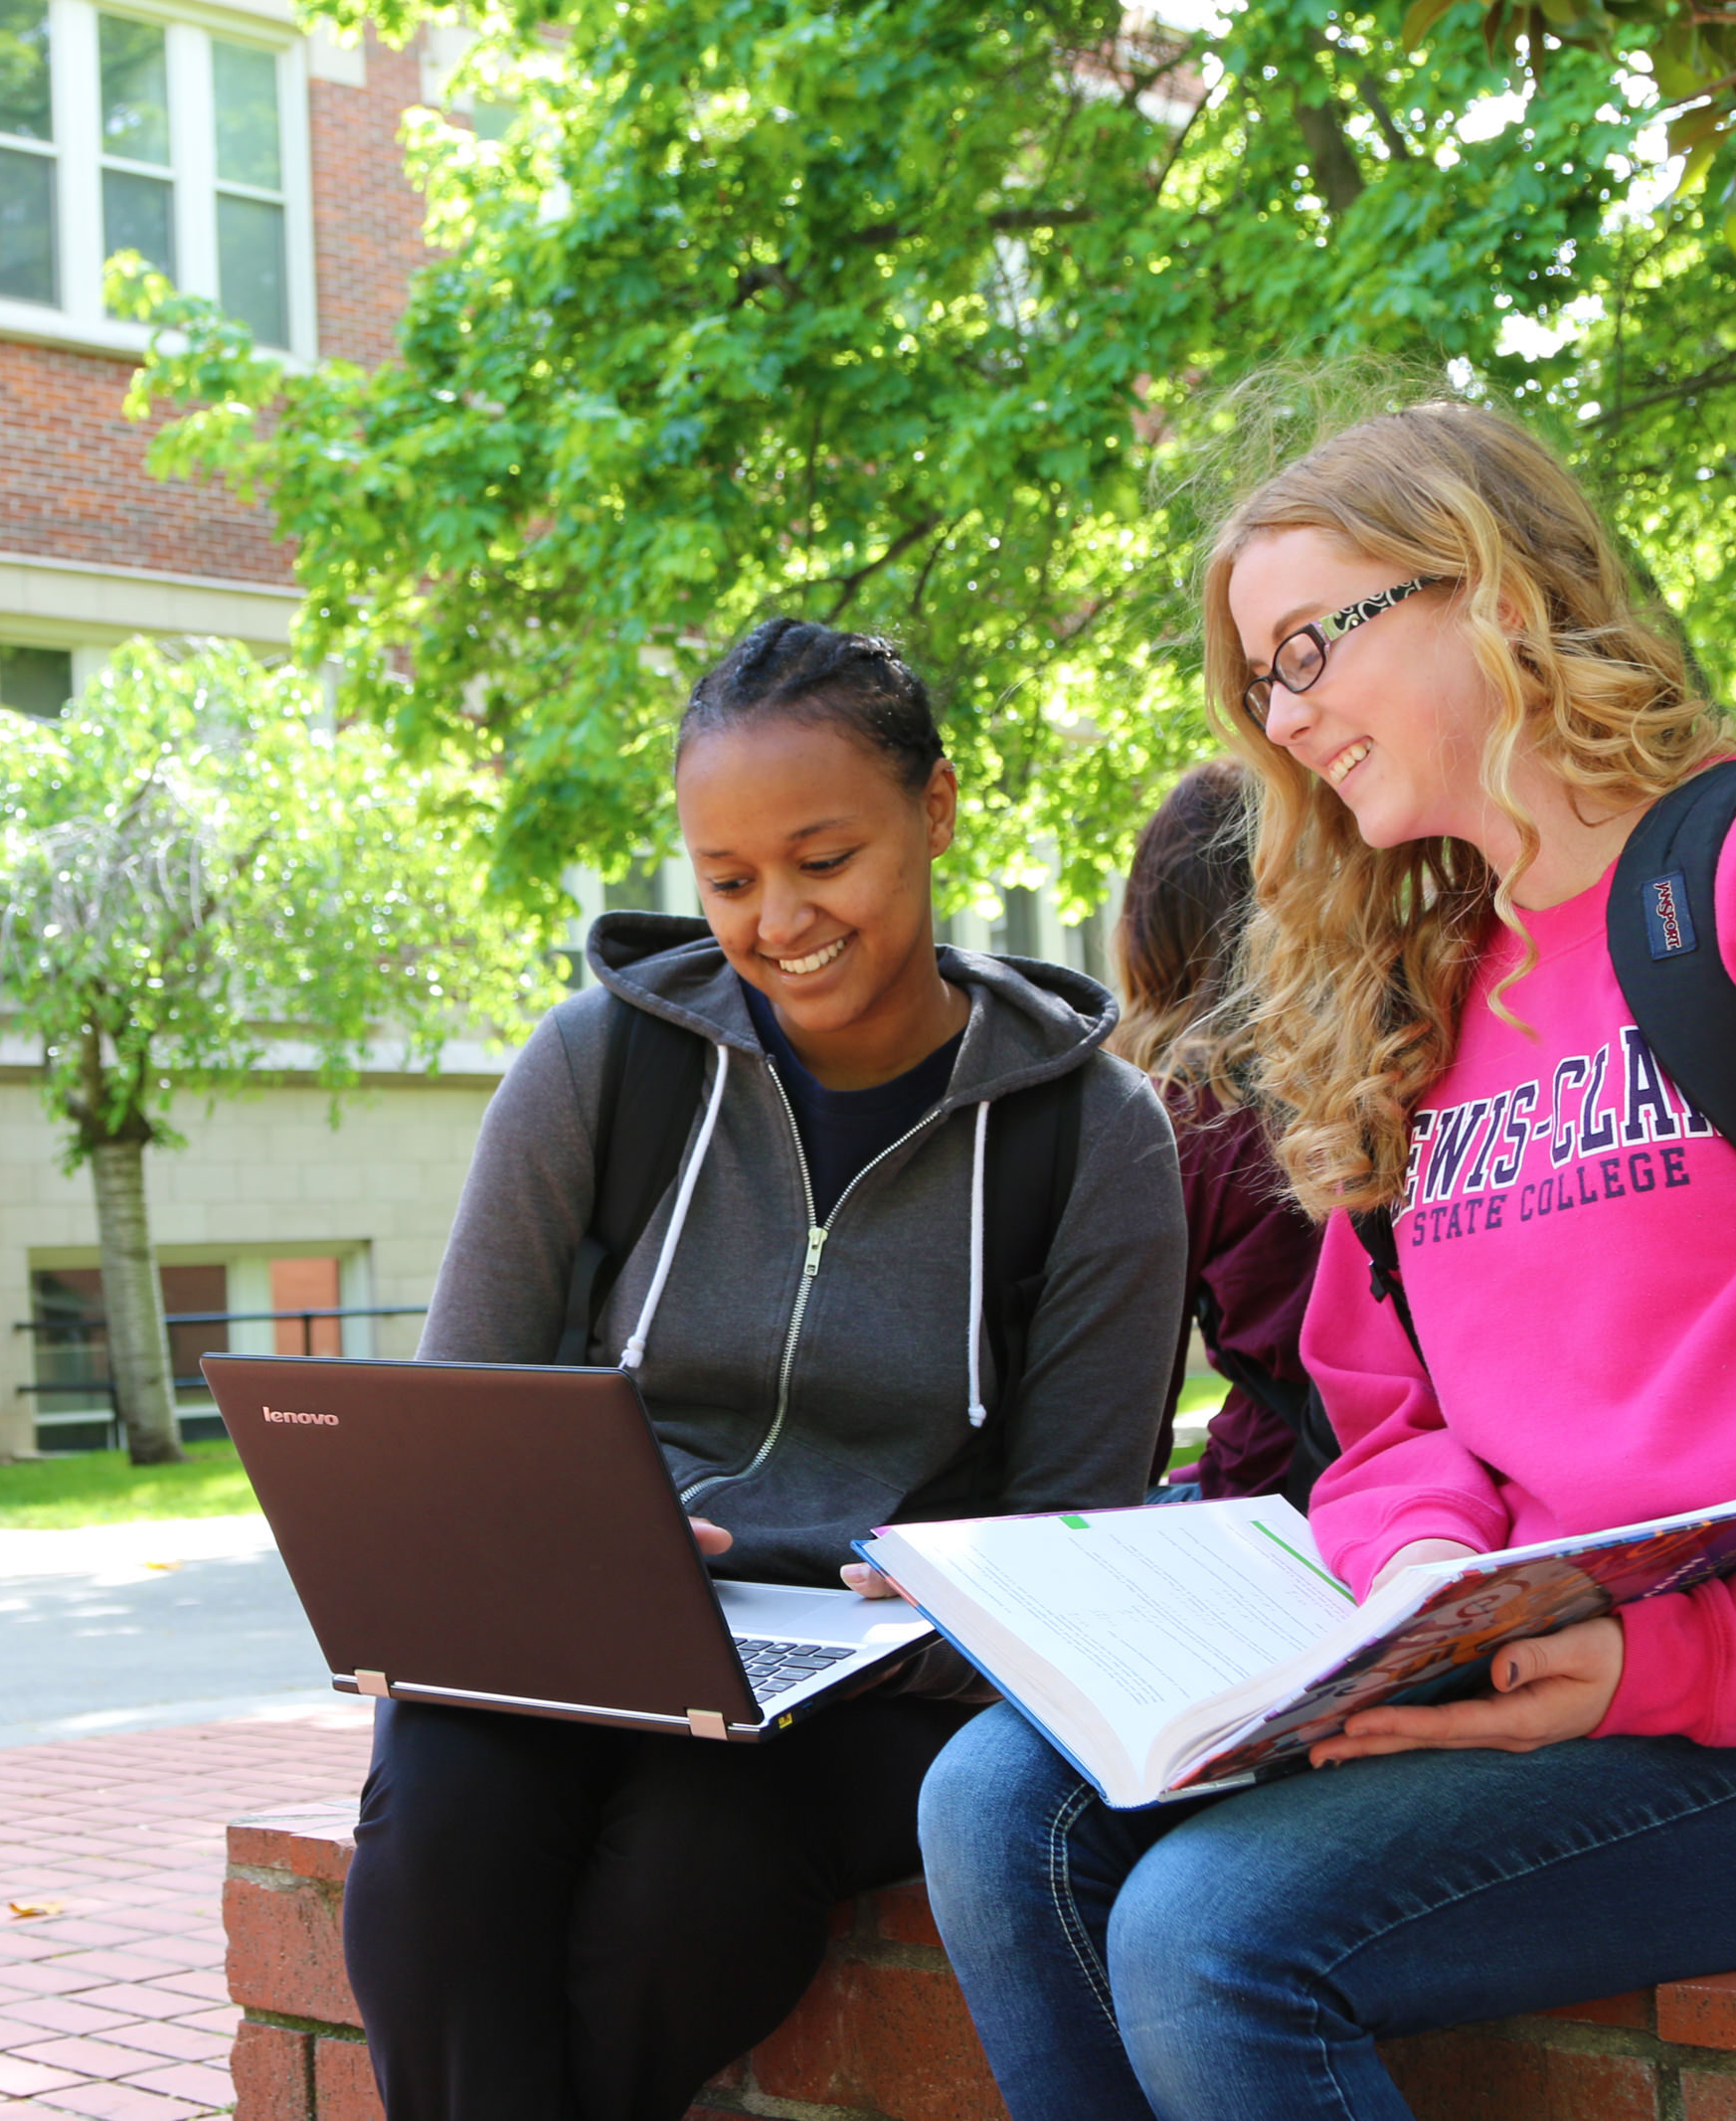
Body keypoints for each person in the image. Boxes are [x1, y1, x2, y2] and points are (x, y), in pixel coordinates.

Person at [915, 398, 1736, 2121]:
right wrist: (1423, 1591)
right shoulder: (1418, 979)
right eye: (1260, 683)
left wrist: (1662, 1661)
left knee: (1213, 1932)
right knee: (996, 1806)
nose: (1287, 720)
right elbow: (1387, 1424)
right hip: (1536, 1653)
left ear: (1497, 594)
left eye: (1309, 650)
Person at [343, 619, 1188, 2121]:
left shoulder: (1093, 1139)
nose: (778, 919)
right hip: (585, 1639)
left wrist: (915, 1606)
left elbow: (1073, 1543)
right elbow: (455, 1437)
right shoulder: (603, 1067)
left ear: (934, 811)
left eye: (823, 859)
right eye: (728, 881)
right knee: (443, 1827)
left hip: (874, 1682)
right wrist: (599, 1555)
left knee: (693, 1865)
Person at [1109, 758, 1326, 1503]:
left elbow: (1119, 1409)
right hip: (1398, 1475)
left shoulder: (1186, 1113)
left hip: (1276, 1497)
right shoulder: (1388, 1061)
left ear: (1153, 922)